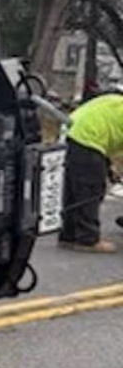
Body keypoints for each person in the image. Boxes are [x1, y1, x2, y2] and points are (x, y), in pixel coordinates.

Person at [59, 90, 123, 252]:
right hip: (89, 138)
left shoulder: (116, 102)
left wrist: (108, 164)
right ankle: (87, 239)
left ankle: (69, 235)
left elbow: (109, 129)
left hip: (73, 131)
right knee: (90, 190)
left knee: (75, 190)